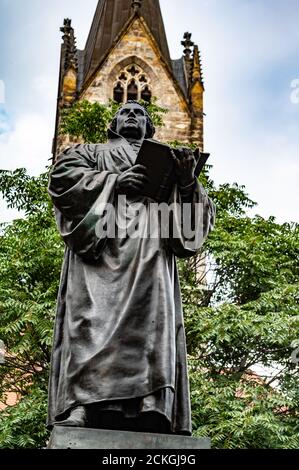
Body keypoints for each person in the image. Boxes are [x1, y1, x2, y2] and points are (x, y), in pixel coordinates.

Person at [47, 101, 215, 435]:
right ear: (113, 124)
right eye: (126, 112)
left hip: (151, 255)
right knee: (89, 324)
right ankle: (85, 405)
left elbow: (194, 228)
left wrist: (185, 184)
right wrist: (114, 182)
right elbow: (62, 180)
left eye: (140, 113)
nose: (133, 116)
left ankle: (152, 406)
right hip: (99, 255)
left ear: (151, 128)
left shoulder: (169, 163)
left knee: (151, 331)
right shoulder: (91, 153)